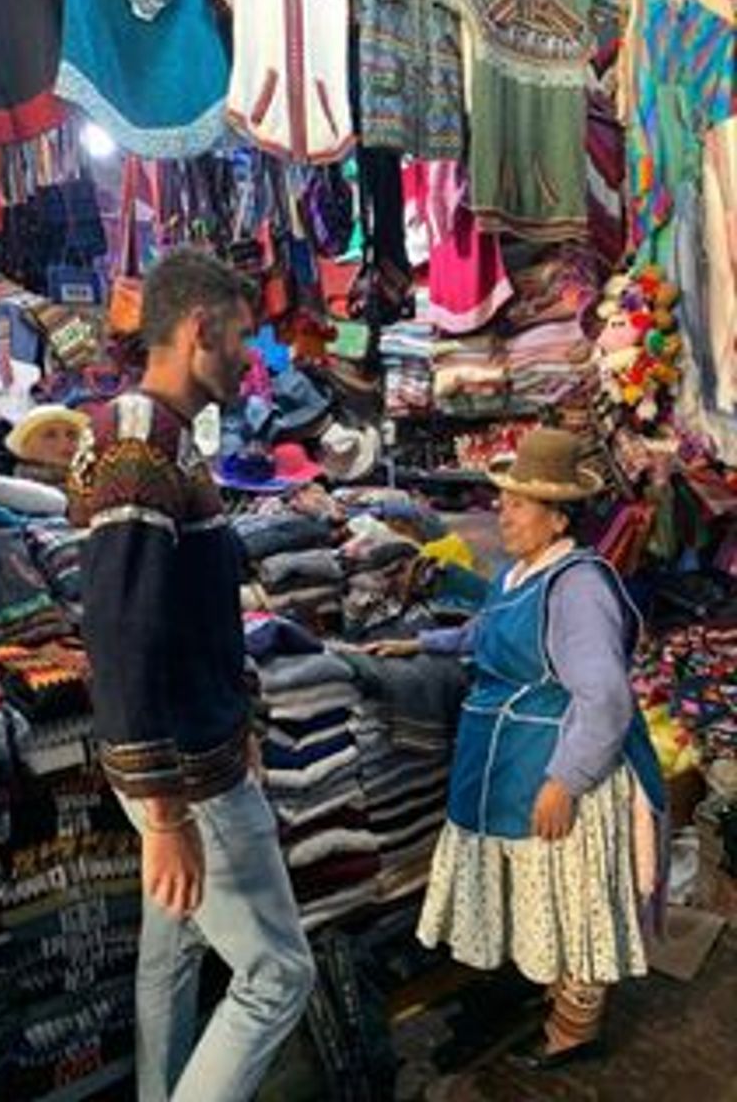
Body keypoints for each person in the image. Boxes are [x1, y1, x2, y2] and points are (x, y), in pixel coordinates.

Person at [70, 249, 315, 1102]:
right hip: (188, 774)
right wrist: (169, 810)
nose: (252, 357)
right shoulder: (140, 446)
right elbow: (122, 631)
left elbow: (177, 618)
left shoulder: (165, 441)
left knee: (169, 952)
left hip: (191, 757)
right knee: (279, 975)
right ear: (201, 328)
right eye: (244, 335)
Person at [369, 428, 666, 1070]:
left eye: (519, 503)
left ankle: (574, 1033)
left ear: (557, 515)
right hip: (511, 758)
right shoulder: (520, 574)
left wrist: (565, 781)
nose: (502, 511)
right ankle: (551, 996)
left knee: (574, 904)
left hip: (559, 768)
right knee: (543, 903)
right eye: (503, 498)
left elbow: (607, 699)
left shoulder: (578, 587)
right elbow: (489, 629)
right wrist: (422, 645)